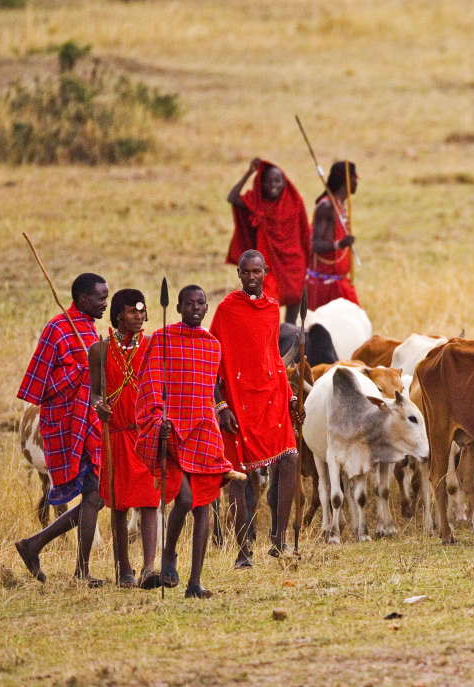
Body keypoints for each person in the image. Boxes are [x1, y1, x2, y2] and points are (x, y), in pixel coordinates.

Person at [135, 285, 242, 599]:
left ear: (206, 308)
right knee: (183, 498)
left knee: (204, 505)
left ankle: (195, 583)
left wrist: (218, 413)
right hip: (170, 431)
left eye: (201, 303)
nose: (196, 308)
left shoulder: (212, 346)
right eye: (189, 303)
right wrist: (159, 419)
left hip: (203, 431)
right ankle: (168, 555)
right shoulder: (162, 340)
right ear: (178, 307)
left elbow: (208, 391)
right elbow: (152, 385)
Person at [210, 250, 304, 567]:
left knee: (290, 458)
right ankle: (243, 550)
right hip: (237, 400)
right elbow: (213, 361)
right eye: (246, 272)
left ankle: (278, 540)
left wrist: (290, 395)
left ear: (265, 272)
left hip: (271, 396)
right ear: (239, 274)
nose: (251, 277)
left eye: (256, 272)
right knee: (238, 476)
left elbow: (273, 358)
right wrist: (221, 404)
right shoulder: (226, 310)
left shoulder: (273, 309)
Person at [15, 273, 108, 586]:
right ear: (83, 299)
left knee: (97, 496)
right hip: (64, 424)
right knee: (95, 497)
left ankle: (35, 546)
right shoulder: (58, 328)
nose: (105, 304)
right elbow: (39, 384)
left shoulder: (88, 329)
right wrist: (78, 378)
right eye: (100, 299)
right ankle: (73, 567)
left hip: (88, 423)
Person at [88, 289, 161, 590]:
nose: (139, 316)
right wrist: (98, 406)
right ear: (118, 314)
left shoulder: (153, 346)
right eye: (132, 311)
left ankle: (149, 567)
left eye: (142, 311)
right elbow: (94, 392)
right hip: (116, 435)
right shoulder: (99, 350)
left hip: (144, 434)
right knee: (118, 505)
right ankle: (124, 569)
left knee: (149, 502)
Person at [227, 158, 312, 325]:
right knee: (266, 307)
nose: (274, 185)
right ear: (261, 184)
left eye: (278, 180)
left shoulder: (294, 202)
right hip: (269, 264)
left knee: (293, 313)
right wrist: (250, 172)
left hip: (293, 264)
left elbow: (304, 232)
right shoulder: (257, 203)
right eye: (269, 181)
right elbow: (233, 197)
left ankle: (289, 341)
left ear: (284, 183)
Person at [307, 160, 359, 309]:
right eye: (356, 178)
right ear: (348, 180)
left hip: (340, 283)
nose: (357, 183)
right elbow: (315, 245)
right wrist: (340, 244)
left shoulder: (340, 206)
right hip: (325, 287)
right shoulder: (326, 206)